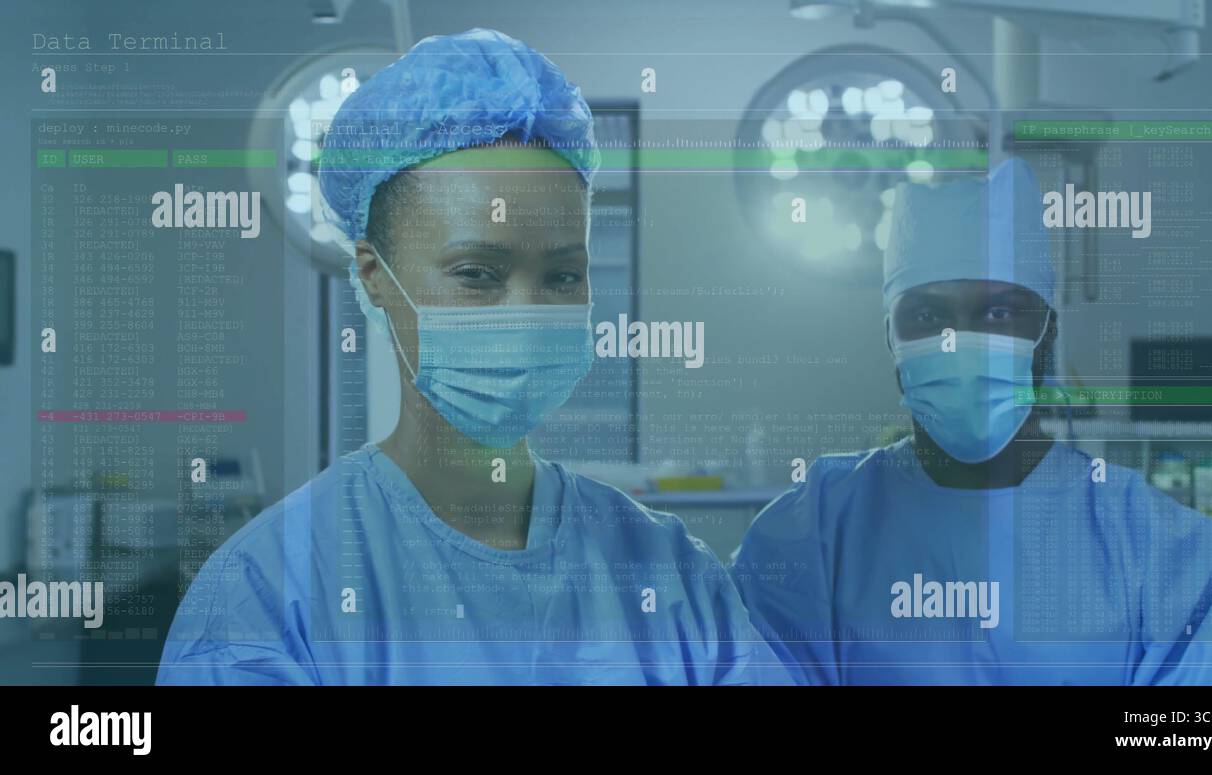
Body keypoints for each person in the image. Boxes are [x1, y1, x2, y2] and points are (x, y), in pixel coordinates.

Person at [157, 28, 786, 685]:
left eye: (563, 277)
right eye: (478, 272)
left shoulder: (671, 578)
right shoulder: (268, 597)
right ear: (375, 275)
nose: (528, 312)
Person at [730, 158, 1212, 685]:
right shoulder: (811, 536)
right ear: (891, 337)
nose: (959, 341)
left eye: (999, 313)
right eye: (927, 315)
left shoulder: (1171, 555)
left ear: (1048, 333)